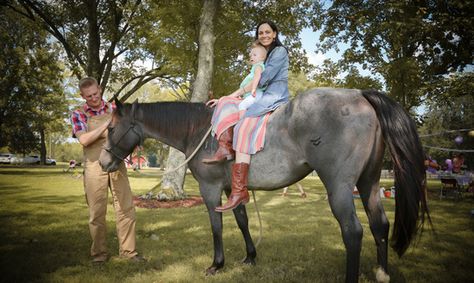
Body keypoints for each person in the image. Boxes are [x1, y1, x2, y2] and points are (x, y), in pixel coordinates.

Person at [203, 20, 290, 212]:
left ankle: (239, 190)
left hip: (273, 93)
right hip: (258, 93)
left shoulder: (279, 52)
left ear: (275, 34)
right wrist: (228, 97)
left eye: (268, 32)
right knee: (226, 104)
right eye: (261, 32)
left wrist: (239, 93)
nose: (264, 35)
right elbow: (253, 82)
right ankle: (225, 148)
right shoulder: (261, 54)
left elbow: (263, 80)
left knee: (243, 125)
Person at [70, 77, 143, 263]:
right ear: (82, 96)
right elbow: (84, 140)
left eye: (95, 93)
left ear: (100, 89)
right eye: (88, 96)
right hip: (94, 166)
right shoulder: (78, 114)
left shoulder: (115, 109)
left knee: (126, 208)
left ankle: (129, 252)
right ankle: (99, 255)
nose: (93, 98)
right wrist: (106, 125)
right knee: (97, 212)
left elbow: (127, 133)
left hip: (117, 163)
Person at [237, 41, 267, 117]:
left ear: (262, 58)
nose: (251, 57)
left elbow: (257, 77)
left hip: (256, 94)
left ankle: (241, 123)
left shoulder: (258, 66)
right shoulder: (255, 67)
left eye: (254, 55)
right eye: (251, 55)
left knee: (241, 106)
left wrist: (253, 88)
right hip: (252, 94)